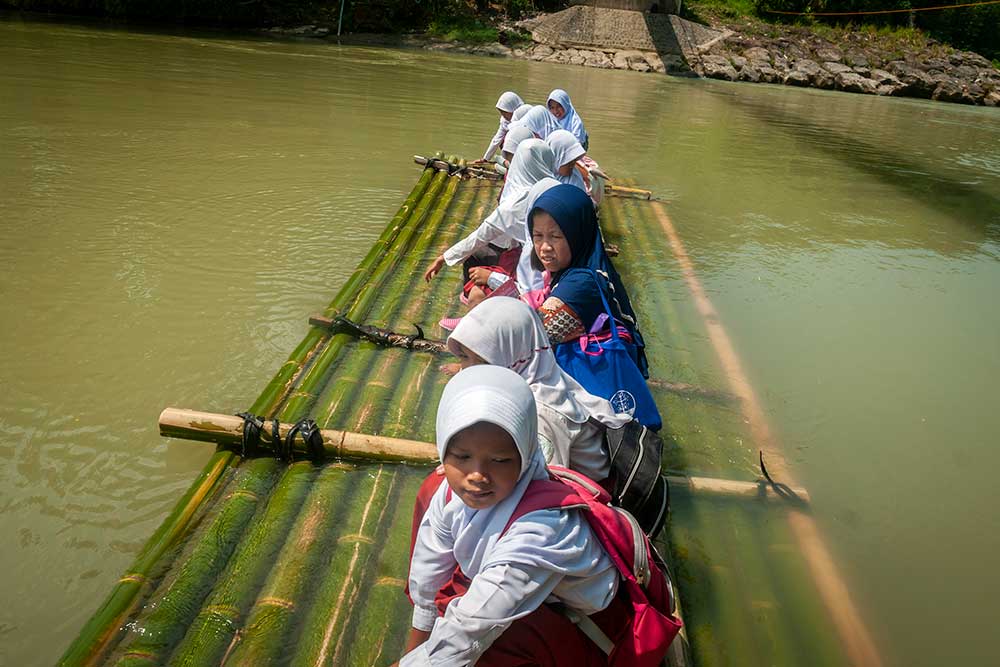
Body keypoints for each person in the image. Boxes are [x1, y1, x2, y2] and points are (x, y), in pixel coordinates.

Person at [393, 365, 621, 667]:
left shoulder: (544, 528)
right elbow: (427, 575)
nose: (477, 475)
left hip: (598, 637)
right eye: (461, 456)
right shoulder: (449, 495)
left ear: (525, 456)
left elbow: (470, 632)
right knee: (448, 604)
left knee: (489, 644)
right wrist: (413, 650)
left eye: (500, 460)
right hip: (544, 611)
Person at [446, 297, 630, 482]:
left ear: (514, 355)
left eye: (484, 361)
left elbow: (546, 485)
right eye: (463, 357)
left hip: (587, 497)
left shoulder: (539, 410)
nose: (468, 370)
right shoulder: (541, 373)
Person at [528, 184, 650, 377]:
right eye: (537, 236)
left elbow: (529, 339)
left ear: (577, 235)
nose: (544, 247)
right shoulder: (587, 267)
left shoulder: (581, 284)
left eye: (555, 236)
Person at [423, 140, 557, 306]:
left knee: (476, 262)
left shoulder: (515, 204)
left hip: (534, 286)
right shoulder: (557, 191)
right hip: (545, 273)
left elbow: (479, 236)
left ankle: (474, 304)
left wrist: (443, 258)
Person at [481, 91, 524, 162]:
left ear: (513, 109)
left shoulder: (525, 118)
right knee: (503, 140)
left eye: (505, 112)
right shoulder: (505, 121)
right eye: (501, 112)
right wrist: (485, 159)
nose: (503, 115)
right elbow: (497, 139)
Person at [545, 129, 589, 195]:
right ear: (556, 157)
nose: (572, 165)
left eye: (574, 161)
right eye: (568, 162)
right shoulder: (541, 176)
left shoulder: (575, 179)